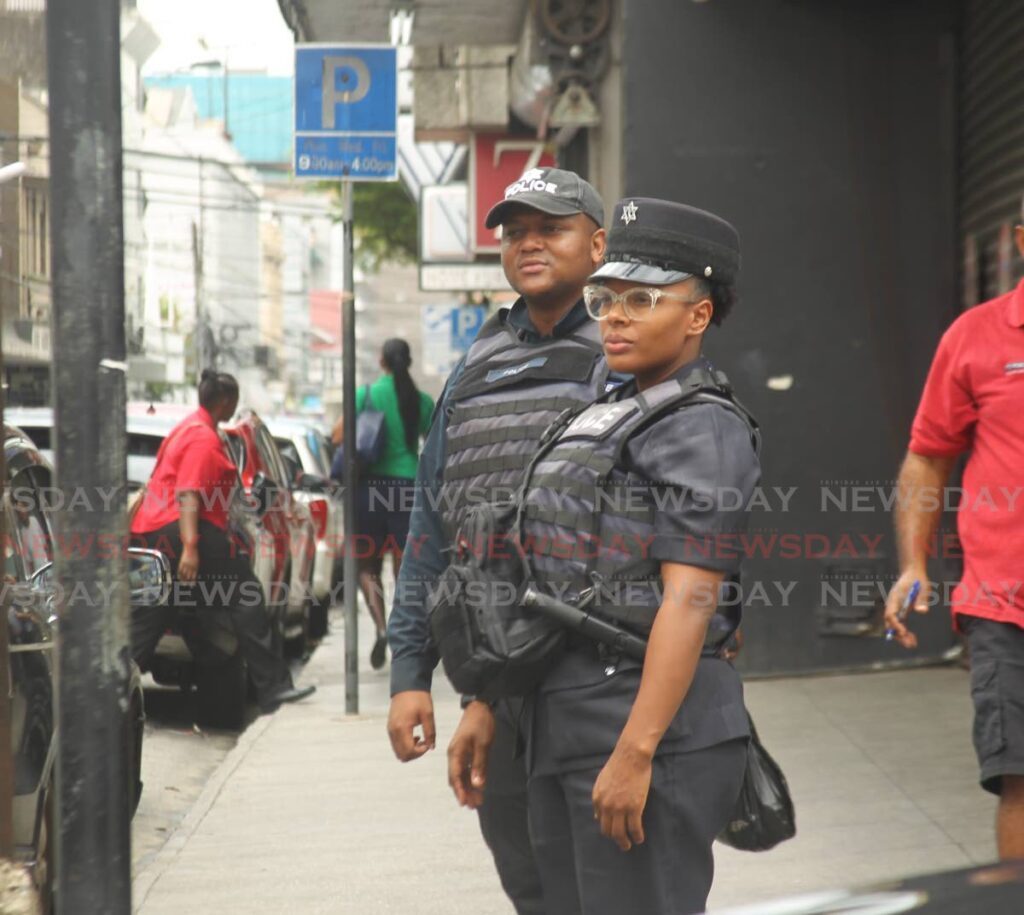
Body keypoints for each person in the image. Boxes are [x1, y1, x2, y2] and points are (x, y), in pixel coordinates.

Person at [452, 198, 761, 915]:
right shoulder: (606, 405)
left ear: (699, 314)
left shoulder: (702, 425)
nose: (615, 315)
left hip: (641, 722)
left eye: (642, 298)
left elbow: (689, 598)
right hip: (566, 717)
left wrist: (637, 749)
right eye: (607, 296)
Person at [386, 167, 610, 913]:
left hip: (603, 678)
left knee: (615, 888)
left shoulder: (630, 349)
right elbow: (432, 529)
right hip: (502, 682)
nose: (530, 242)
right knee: (535, 888)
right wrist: (411, 670)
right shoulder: (473, 372)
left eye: (551, 226)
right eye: (515, 231)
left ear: (597, 242)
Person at [884, 196, 1024, 860]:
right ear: (1021, 239)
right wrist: (915, 563)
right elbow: (928, 457)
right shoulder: (974, 336)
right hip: (1007, 607)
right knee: (1020, 783)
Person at [130, 370, 315, 712]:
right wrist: (190, 547)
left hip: (153, 531)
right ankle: (272, 686)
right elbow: (188, 494)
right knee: (246, 595)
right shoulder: (202, 438)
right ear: (226, 401)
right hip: (182, 528)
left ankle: (114, 686)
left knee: (157, 609)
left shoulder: (185, 428)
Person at [350, 338, 435, 669]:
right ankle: (404, 633)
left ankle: (382, 628)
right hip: (408, 486)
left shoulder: (366, 395)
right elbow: (433, 442)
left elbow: (341, 435)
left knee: (367, 565)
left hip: (370, 489)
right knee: (407, 565)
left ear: (382, 361)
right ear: (408, 362)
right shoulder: (423, 401)